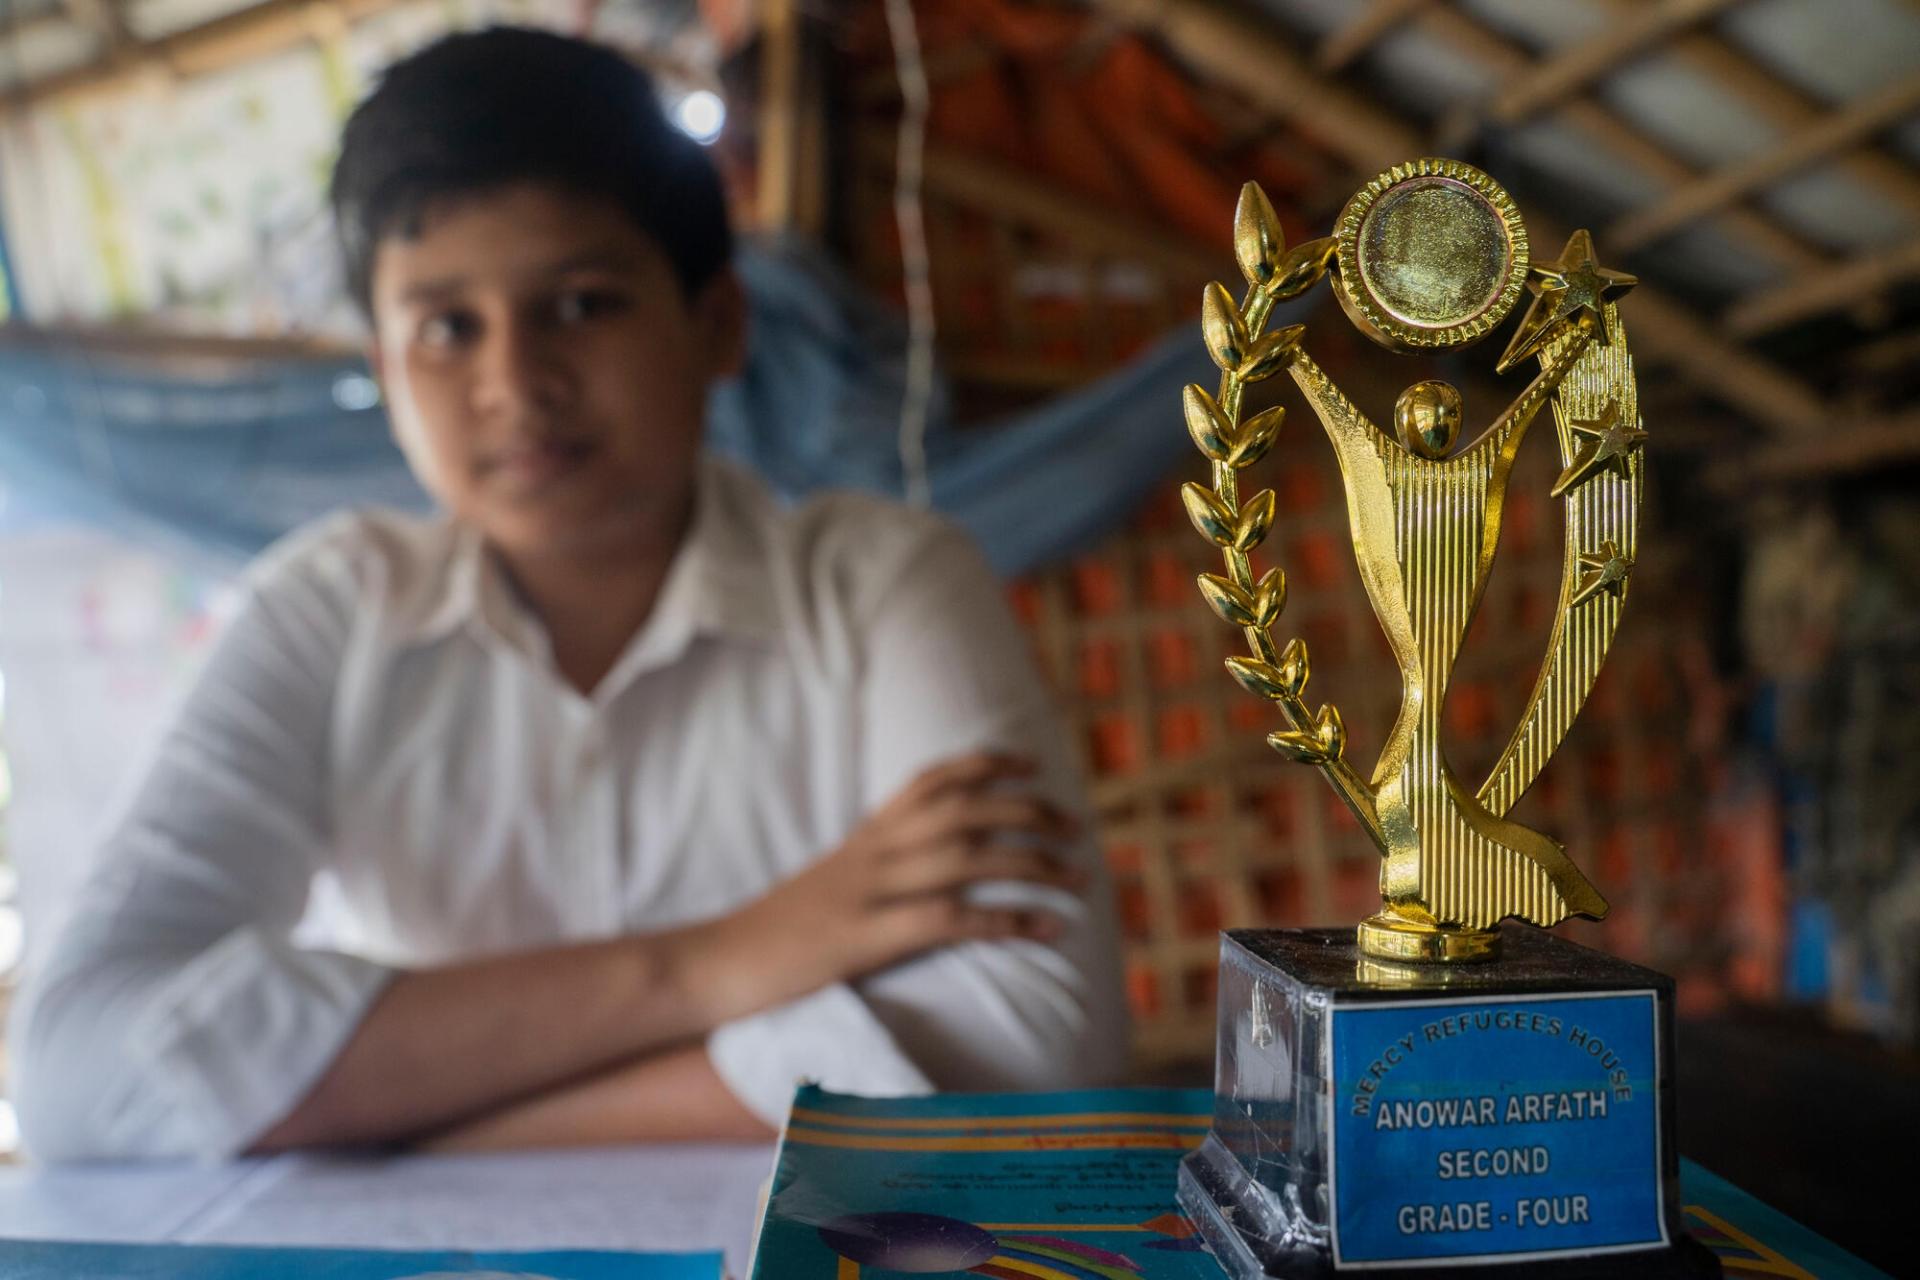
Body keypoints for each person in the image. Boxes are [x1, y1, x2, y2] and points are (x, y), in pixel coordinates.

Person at [13, 26, 1126, 1160]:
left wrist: (431, 1129)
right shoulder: (328, 611)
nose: (515, 383)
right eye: (447, 327)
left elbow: (1032, 1041)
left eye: (584, 302)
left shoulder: (887, 583)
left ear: (718, 325)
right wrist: (722, 959)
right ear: (387, 375)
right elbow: (79, 1074)